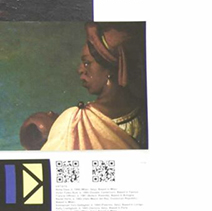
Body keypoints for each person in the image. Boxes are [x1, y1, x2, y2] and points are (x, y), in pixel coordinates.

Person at [39, 22, 147, 150]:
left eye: (87, 63)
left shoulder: (76, 120)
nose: (80, 70)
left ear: (109, 70)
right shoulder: (145, 109)